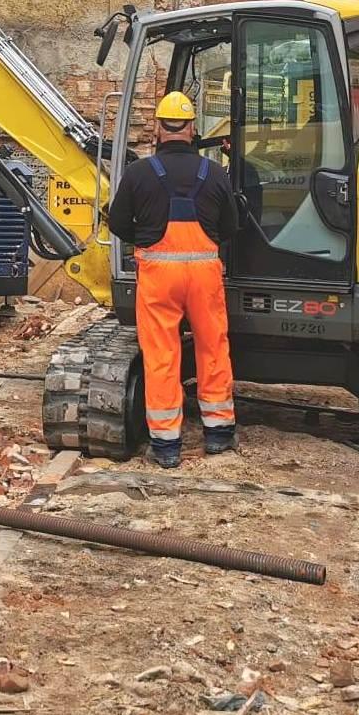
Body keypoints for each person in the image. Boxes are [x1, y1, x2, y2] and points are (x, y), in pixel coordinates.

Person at [107, 91, 238, 467]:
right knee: (212, 347)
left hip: (158, 277)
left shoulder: (138, 173)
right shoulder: (214, 173)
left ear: (159, 128)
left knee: (162, 355)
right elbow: (231, 227)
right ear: (192, 128)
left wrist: (146, 238)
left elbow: (117, 223)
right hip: (203, 276)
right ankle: (218, 433)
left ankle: (166, 445)